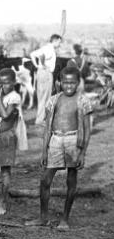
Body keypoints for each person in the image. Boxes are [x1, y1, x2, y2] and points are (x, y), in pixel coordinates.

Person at [25, 67, 92, 230]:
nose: (69, 86)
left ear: (78, 83)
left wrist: (82, 152)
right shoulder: (53, 100)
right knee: (45, 180)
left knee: (71, 180)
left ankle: (65, 219)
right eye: (65, 82)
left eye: (72, 82)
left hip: (73, 141)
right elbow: (47, 127)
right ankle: (43, 217)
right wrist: (44, 151)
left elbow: (87, 129)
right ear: (59, 82)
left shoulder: (83, 100)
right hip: (55, 140)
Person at [0, 68, 27, 216]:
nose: (3, 86)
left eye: (7, 83)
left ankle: (3, 202)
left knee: (4, 171)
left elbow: (5, 114)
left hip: (6, 138)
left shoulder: (14, 97)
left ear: (14, 83)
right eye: (0, 83)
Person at [30, 34, 62, 124]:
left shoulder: (45, 47)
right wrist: (43, 65)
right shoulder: (50, 49)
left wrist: (37, 66)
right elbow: (42, 56)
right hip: (46, 73)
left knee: (42, 97)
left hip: (41, 72)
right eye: (59, 42)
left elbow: (32, 54)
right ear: (55, 41)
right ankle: (40, 120)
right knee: (46, 97)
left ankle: (41, 118)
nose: (59, 44)